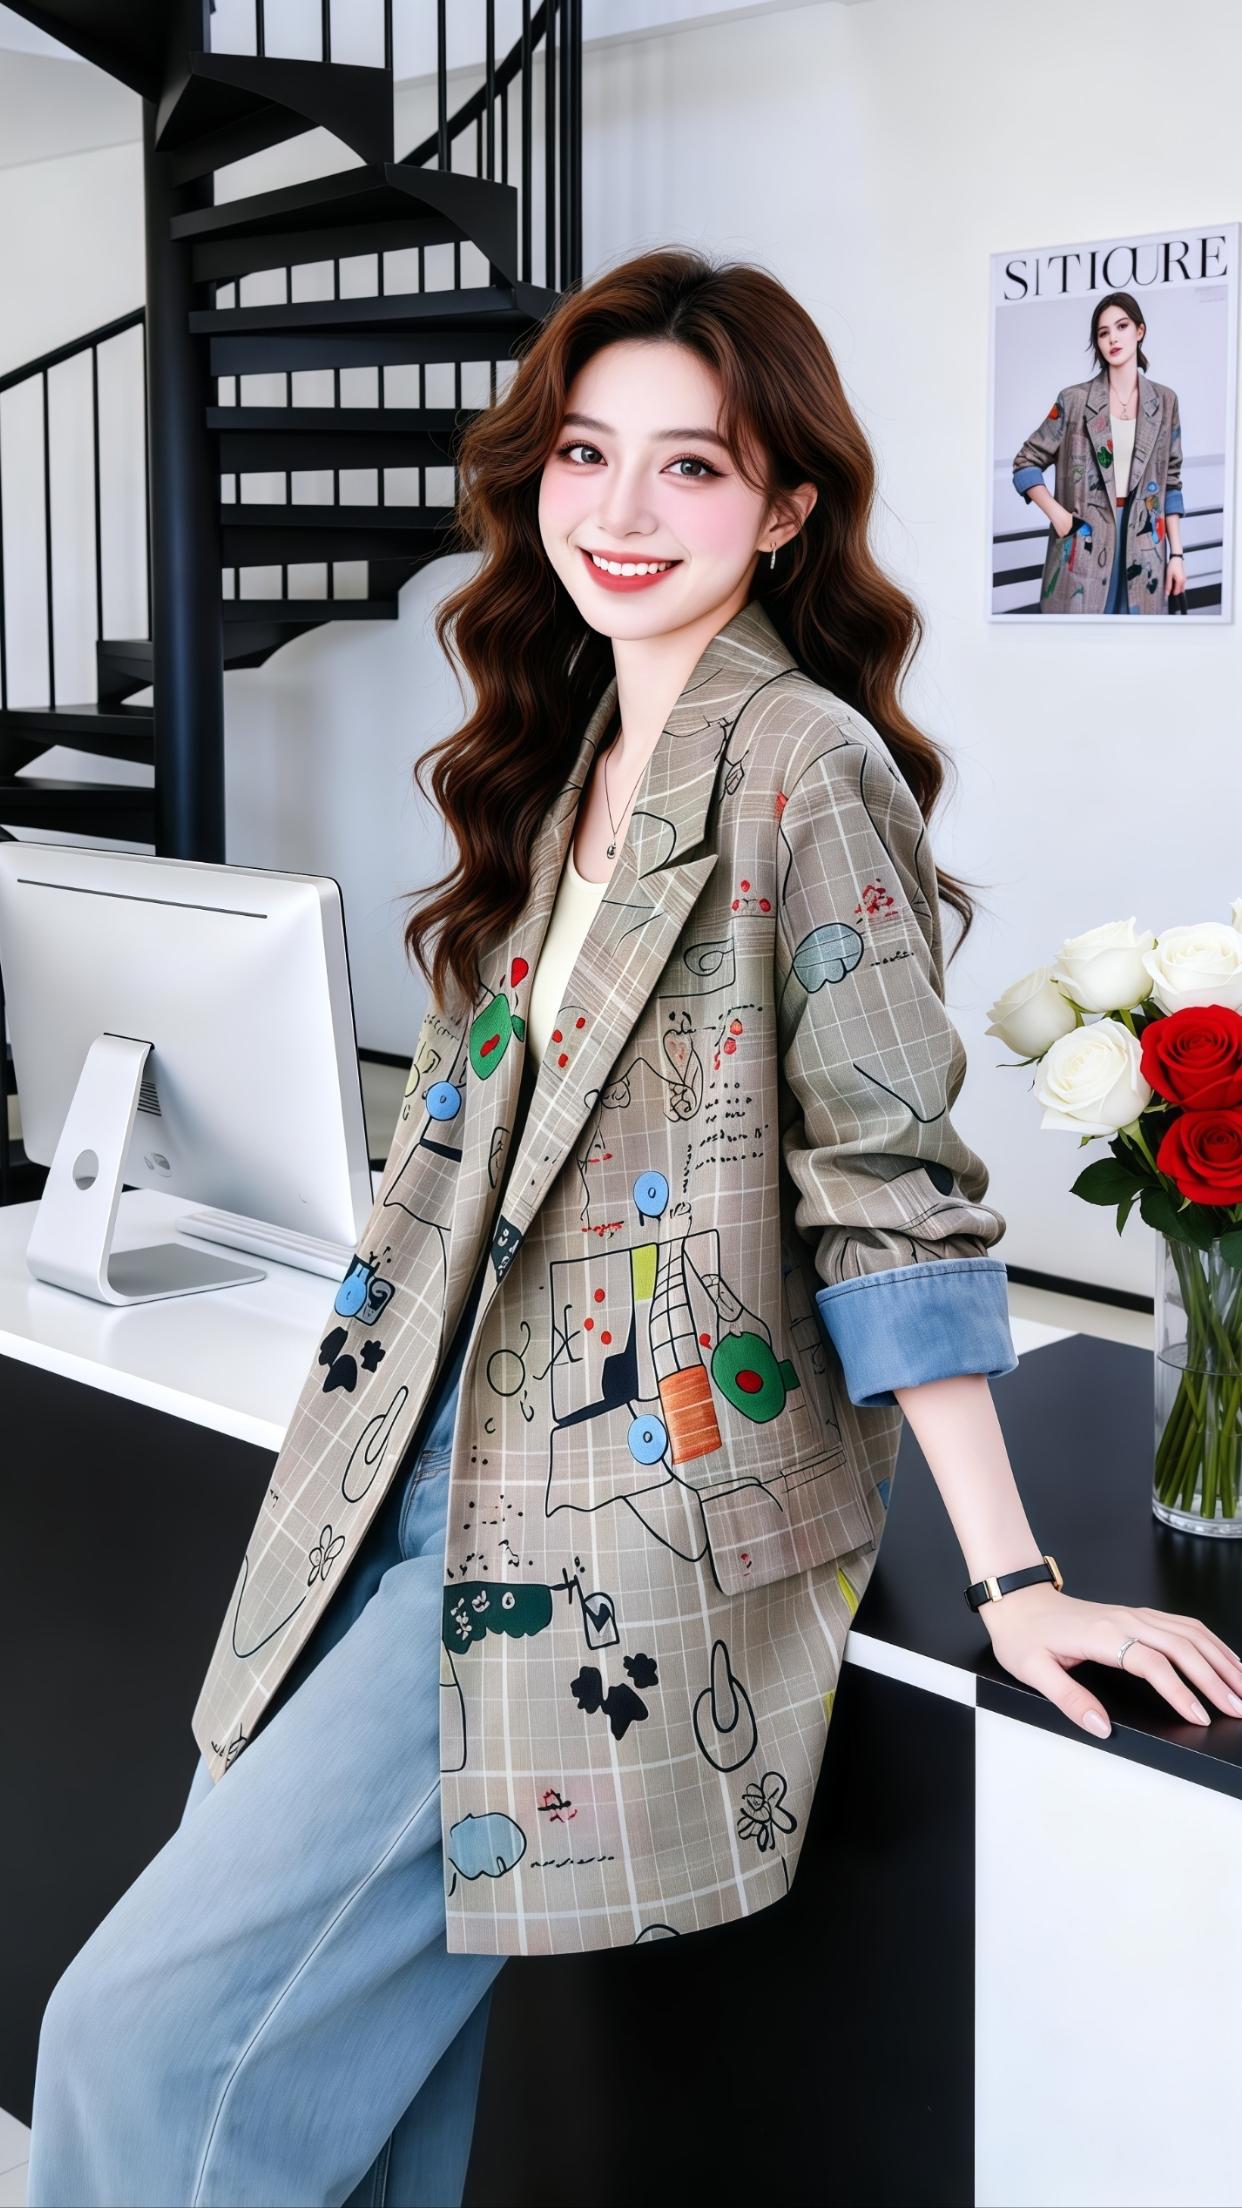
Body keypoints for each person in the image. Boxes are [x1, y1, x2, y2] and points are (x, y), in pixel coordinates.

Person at [28, 247, 1242, 2208]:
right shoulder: (574, 749)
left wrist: (1015, 1579)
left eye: (692, 465)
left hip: (598, 1509)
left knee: (140, 2041)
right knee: (349, 2095)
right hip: (397, 1453)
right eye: (588, 452)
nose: (620, 507)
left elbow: (890, 1188)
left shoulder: (807, 768)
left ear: (784, 510)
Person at [1011, 289, 1188, 614]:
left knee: (1134, 643)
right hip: (1084, 547)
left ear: (1139, 330)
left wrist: (1176, 554)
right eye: (1103, 333)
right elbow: (1025, 463)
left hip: (1145, 553)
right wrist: (1060, 518)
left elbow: (1171, 484)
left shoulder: (1165, 402)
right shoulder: (1074, 401)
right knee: (1080, 642)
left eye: (1122, 327)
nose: (1113, 339)